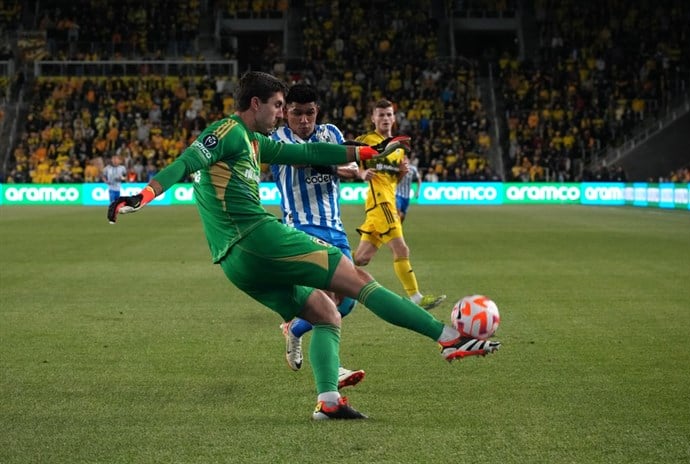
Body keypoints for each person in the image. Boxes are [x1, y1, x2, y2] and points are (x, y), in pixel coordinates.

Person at [107, 71, 500, 421]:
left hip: (235, 264)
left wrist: (367, 151)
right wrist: (143, 195)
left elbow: (310, 152)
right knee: (359, 281)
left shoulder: (255, 143)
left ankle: (328, 400)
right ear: (256, 104)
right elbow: (187, 161)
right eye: (278, 106)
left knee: (327, 313)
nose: (281, 115)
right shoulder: (226, 132)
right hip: (259, 237)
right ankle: (448, 338)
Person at [270, 83, 364, 389]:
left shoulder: (332, 133)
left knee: (347, 301)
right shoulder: (277, 137)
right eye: (297, 114)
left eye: (309, 113)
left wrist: (341, 165)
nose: (304, 121)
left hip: (335, 228)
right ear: (285, 113)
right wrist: (336, 164)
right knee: (325, 299)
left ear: (317, 112)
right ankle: (332, 370)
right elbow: (298, 158)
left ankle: (296, 328)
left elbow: (351, 169)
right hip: (301, 229)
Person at [354, 99, 446, 310]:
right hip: (380, 202)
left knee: (361, 259)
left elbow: (392, 178)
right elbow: (350, 161)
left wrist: (401, 174)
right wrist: (361, 173)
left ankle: (326, 271)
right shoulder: (365, 140)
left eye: (388, 114)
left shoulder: (398, 147)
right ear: (373, 118)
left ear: (394, 118)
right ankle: (417, 298)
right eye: (381, 115)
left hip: (387, 202)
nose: (385, 118)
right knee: (401, 249)